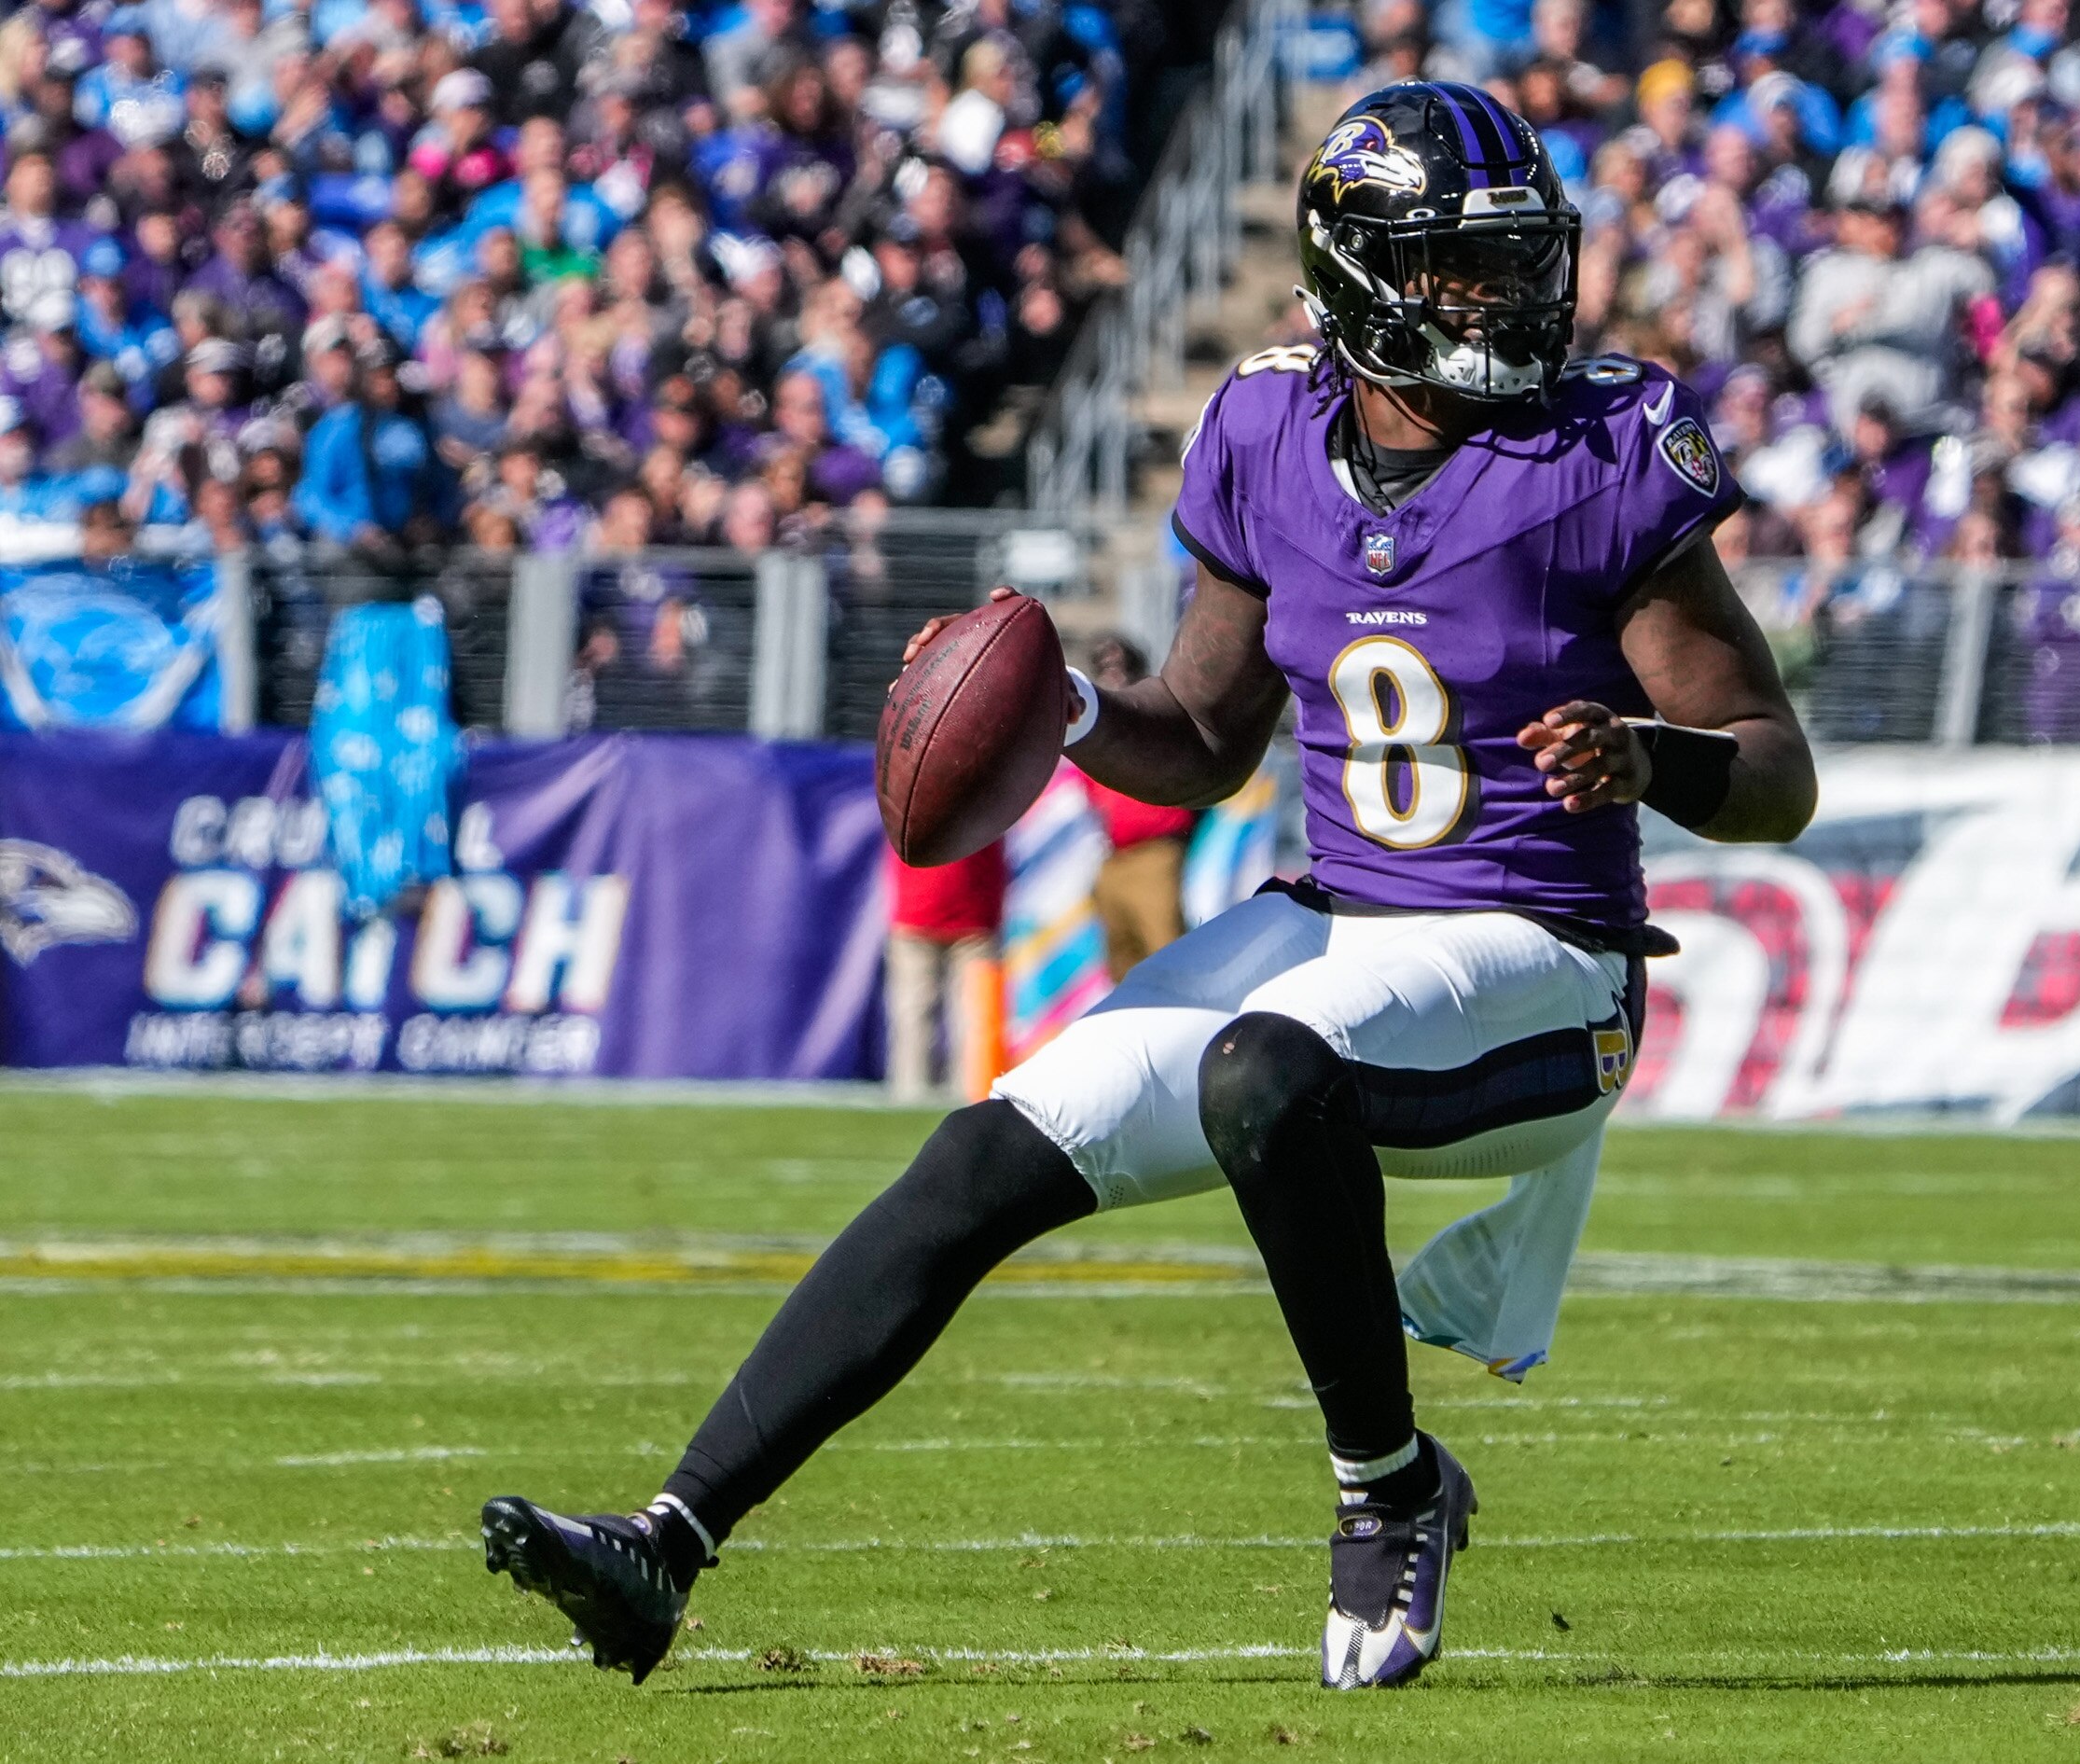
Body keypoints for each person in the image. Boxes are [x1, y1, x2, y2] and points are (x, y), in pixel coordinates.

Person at [477, 81, 1816, 1694]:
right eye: (1462, 269)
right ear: (1358, 276)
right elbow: (1202, 737)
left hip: (1548, 960)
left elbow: (1771, 764)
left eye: (1517, 262)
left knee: (1268, 1065)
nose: (1505, 300)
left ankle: (1386, 1491)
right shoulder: (1265, 425)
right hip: (1345, 926)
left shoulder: (1597, 446)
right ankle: (664, 1545)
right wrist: (1077, 715)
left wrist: (1650, 757)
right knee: (985, 1152)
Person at [1075, 634, 1196, 980]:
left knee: (1168, 954)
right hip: (1112, 856)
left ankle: (1191, 1030)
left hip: (1155, 851)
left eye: (1119, 664)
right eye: (1103, 666)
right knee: (1122, 964)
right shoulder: (1092, 721)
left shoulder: (1157, 711)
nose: (1112, 673)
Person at [881, 841, 1006, 1105]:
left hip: (974, 920)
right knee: (914, 1014)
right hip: (919, 916)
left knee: (975, 1021)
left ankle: (972, 1097)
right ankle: (909, 1097)